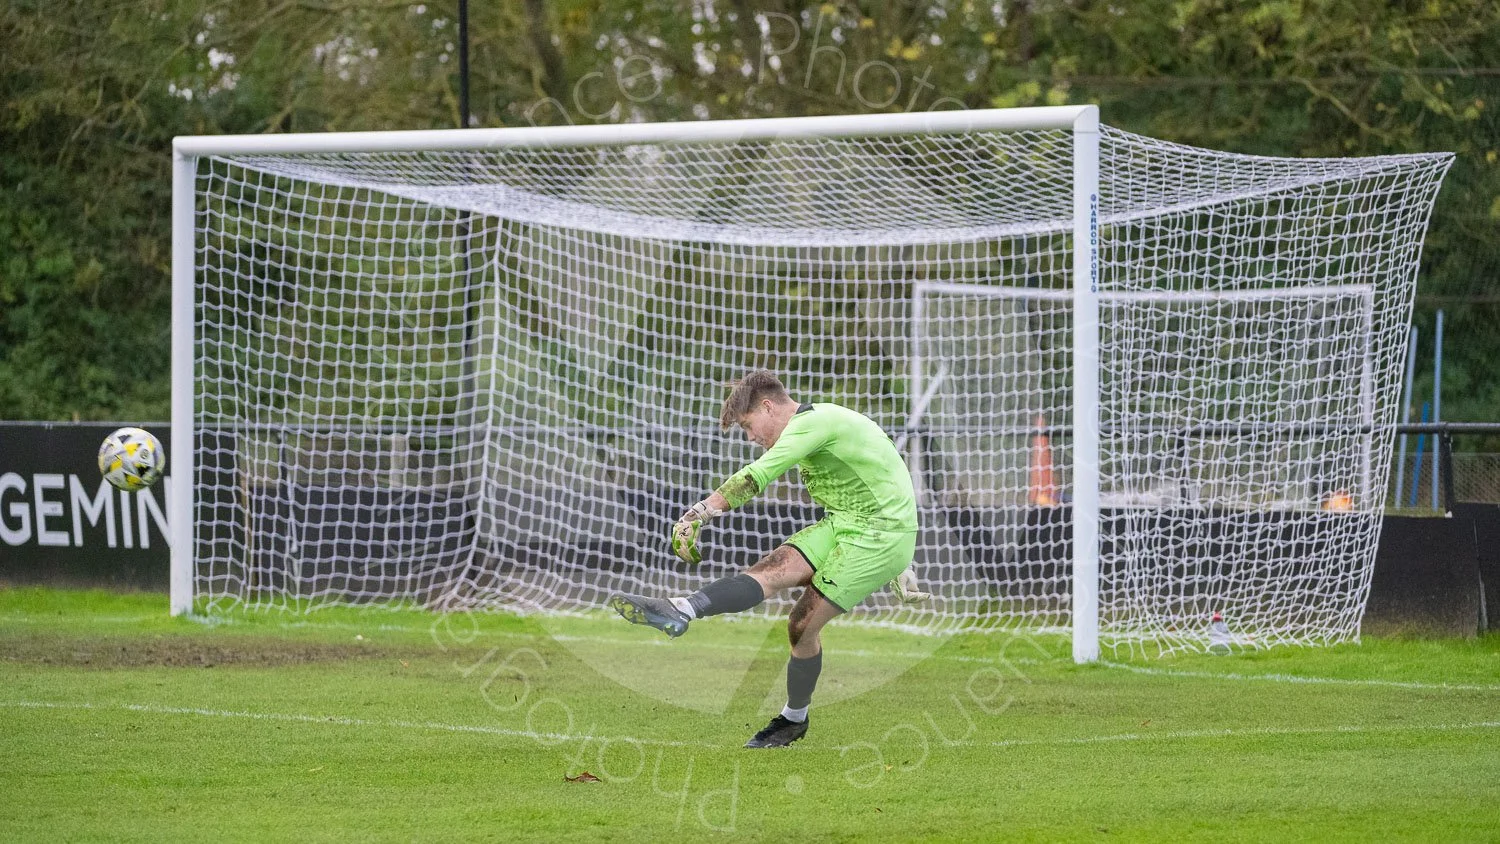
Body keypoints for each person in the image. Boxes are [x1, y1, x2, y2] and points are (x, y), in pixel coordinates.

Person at [608, 370, 929, 748]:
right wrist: (902, 563)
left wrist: (700, 512)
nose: (751, 437)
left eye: (748, 425)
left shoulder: (813, 423)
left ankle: (794, 719)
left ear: (767, 406)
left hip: (880, 535)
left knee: (800, 624)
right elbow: (881, 471)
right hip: (848, 524)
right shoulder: (822, 422)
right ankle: (681, 608)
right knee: (772, 569)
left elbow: (757, 476)